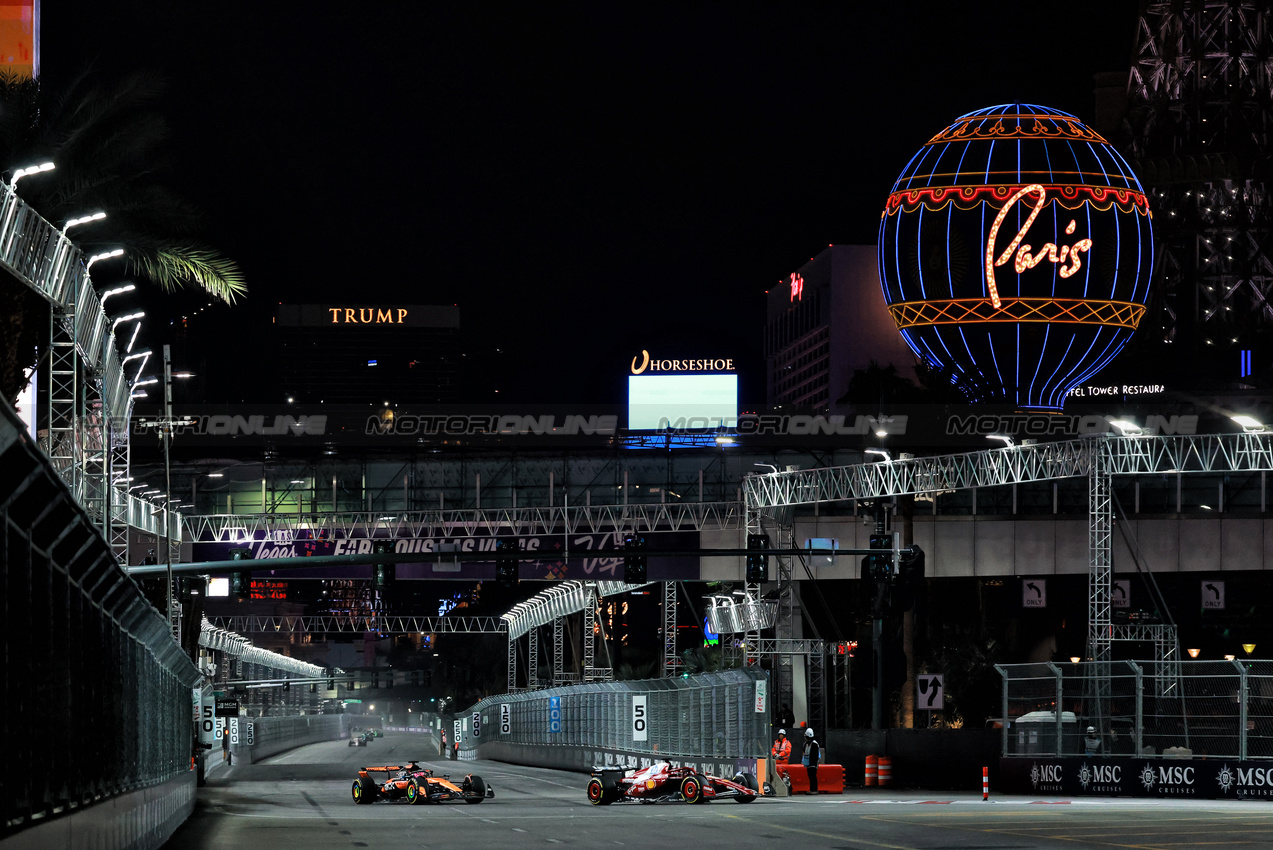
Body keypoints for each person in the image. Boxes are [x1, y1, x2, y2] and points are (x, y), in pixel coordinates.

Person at [802, 728, 820, 793]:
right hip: (808, 763)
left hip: (813, 764)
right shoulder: (806, 744)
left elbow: (815, 755)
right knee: (810, 776)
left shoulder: (814, 744)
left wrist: (814, 764)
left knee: (813, 776)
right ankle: (812, 789)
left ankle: (814, 789)